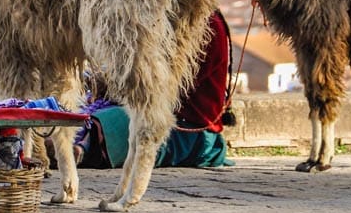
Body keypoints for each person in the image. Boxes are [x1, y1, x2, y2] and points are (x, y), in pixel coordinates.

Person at [74, 9, 233, 169]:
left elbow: (172, 85)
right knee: (79, 111)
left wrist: (121, 86)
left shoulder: (210, 24)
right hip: (155, 110)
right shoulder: (170, 16)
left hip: (188, 129)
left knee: (113, 121)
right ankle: (62, 143)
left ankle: (81, 149)